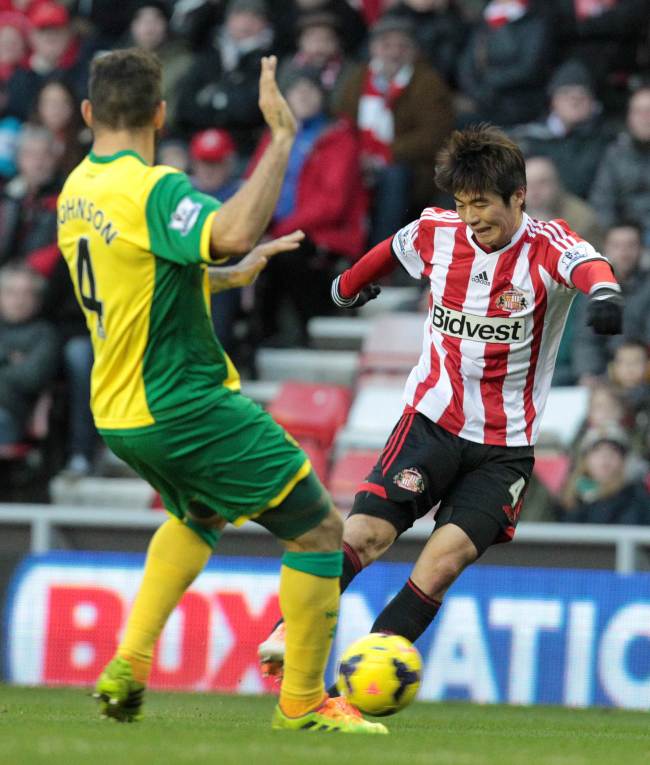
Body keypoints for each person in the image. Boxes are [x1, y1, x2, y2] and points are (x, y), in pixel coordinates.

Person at [56, 47, 385, 735]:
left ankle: (129, 661)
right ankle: (302, 701)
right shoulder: (154, 189)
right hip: (182, 399)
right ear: (160, 113)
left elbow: (136, 277)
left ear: (88, 114)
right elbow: (232, 232)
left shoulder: (75, 190)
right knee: (321, 527)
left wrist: (219, 280)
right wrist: (283, 136)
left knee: (200, 516)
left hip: (118, 410)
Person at [258, 124, 624, 688]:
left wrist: (604, 296)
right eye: (462, 203)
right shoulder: (438, 232)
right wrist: (348, 286)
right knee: (365, 536)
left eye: (482, 204)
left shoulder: (548, 243)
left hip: (504, 447)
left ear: (518, 198)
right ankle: (290, 631)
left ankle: (359, 687)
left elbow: (590, 267)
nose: (470, 216)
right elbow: (390, 251)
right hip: (431, 422)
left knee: (443, 561)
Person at [247, 65, 367, 347]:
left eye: (310, 89)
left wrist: (280, 232)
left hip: (325, 235)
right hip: (277, 231)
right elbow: (253, 185)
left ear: (322, 96)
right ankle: (252, 343)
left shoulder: (339, 139)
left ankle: (296, 333)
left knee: (283, 254)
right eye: (295, 90)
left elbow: (332, 203)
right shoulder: (274, 136)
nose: (303, 96)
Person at [334, 15, 453, 245]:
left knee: (393, 176)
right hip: (358, 158)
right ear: (373, 48)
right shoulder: (358, 77)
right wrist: (356, 155)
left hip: (411, 166)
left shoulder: (428, 82)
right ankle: (340, 249)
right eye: (386, 45)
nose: (394, 52)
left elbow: (433, 136)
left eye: (402, 45)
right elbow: (342, 121)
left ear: (413, 50)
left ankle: (384, 253)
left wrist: (385, 154)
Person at [571, 223, 650, 384]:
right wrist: (589, 372)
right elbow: (586, 339)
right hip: (608, 375)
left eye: (631, 245)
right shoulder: (592, 290)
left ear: (642, 249)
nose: (624, 252)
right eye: (617, 245)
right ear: (605, 249)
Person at [0, 263, 59, 445]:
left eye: (27, 293)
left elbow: (32, 378)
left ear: (38, 299)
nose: (19, 300)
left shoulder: (45, 333)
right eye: (11, 292)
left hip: (11, 416)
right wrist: (9, 359)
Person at [588, 86, 650, 245]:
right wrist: (614, 235)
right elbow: (602, 201)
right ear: (629, 117)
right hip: (625, 239)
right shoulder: (614, 155)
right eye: (639, 112)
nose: (645, 118)